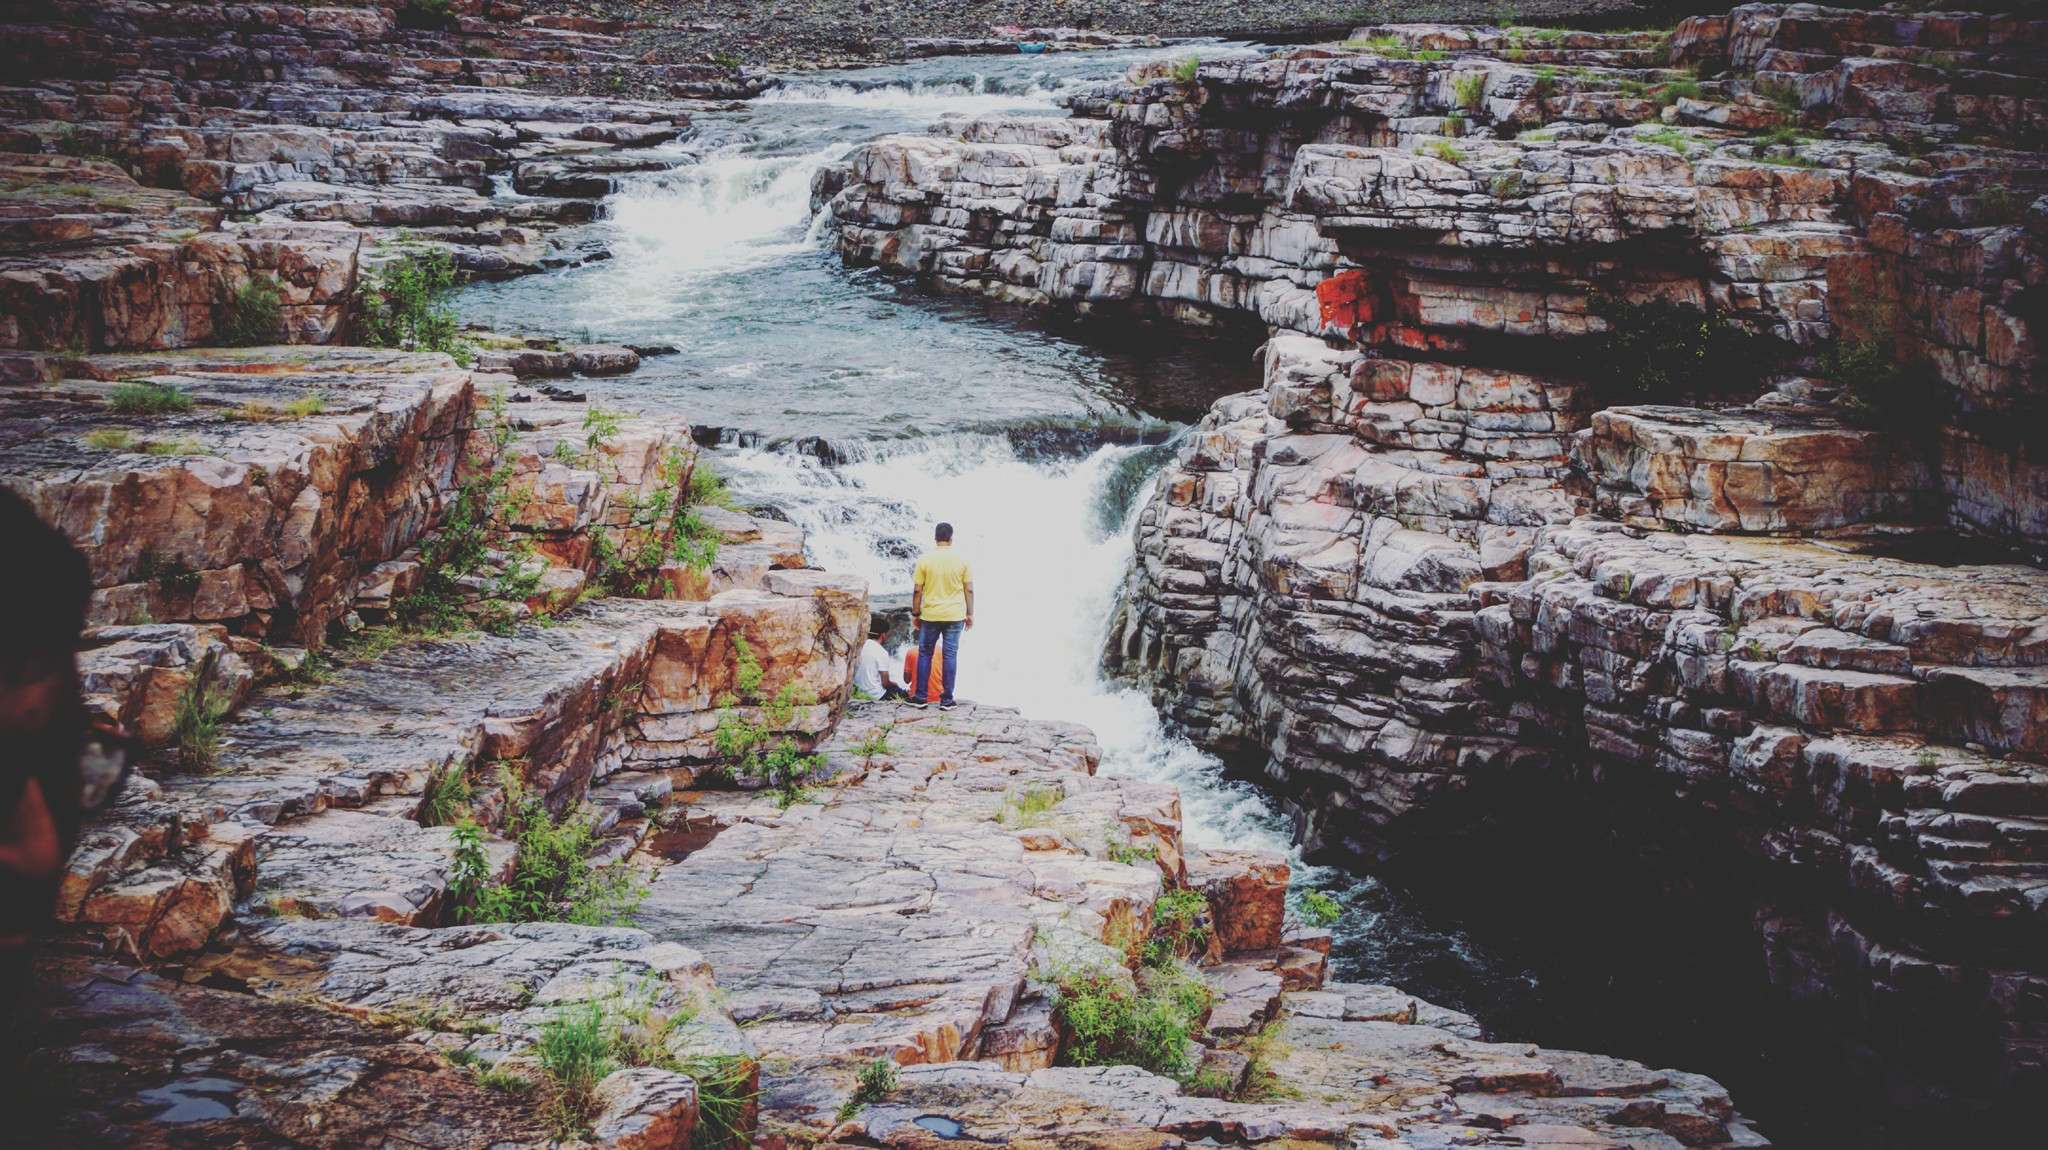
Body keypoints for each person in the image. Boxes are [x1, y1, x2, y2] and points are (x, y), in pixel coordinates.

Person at [908, 521, 973, 710]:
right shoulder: (962, 560)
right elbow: (968, 589)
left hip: (931, 614)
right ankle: (947, 700)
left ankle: (921, 697)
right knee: (950, 655)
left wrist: (916, 613)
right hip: (955, 615)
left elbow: (917, 590)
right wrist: (970, 614)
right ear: (951, 538)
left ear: (935, 538)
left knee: (925, 653)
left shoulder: (925, 559)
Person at [853, 620, 908, 701]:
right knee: (904, 694)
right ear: (883, 635)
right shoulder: (881, 652)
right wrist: (894, 684)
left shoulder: (858, 647)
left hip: (858, 691)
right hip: (876, 695)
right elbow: (885, 683)